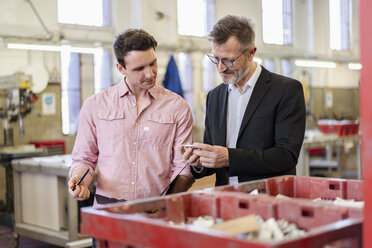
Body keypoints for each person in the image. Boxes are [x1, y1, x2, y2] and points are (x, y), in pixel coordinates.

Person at [68, 29, 194, 207]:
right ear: (121, 68)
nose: (150, 74)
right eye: (139, 69)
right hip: (109, 212)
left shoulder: (178, 108)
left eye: (153, 64)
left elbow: (183, 167)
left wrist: (165, 204)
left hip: (157, 212)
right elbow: (84, 159)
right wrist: (79, 180)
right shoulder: (95, 106)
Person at [182, 15, 306, 186]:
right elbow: (214, 155)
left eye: (229, 60)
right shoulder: (214, 97)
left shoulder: (286, 90)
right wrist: (199, 163)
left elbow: (286, 156)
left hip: (270, 198)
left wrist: (229, 158)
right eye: (216, 59)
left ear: (251, 53)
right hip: (226, 199)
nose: (221, 68)